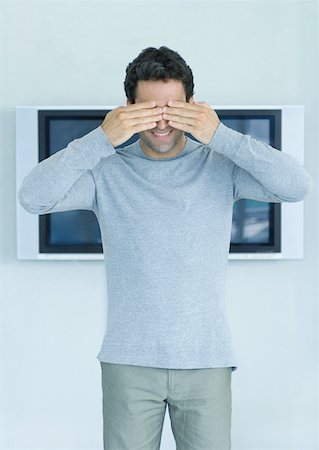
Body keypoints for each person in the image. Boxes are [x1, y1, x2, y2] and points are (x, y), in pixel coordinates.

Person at [18, 46, 313, 450]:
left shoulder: (220, 165)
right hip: (128, 361)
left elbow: (296, 185)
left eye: (173, 109)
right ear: (127, 109)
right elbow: (34, 198)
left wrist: (220, 135)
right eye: (147, 109)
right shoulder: (106, 170)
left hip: (206, 361)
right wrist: (101, 138)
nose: (161, 122)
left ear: (193, 106)